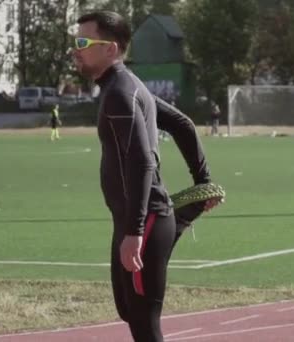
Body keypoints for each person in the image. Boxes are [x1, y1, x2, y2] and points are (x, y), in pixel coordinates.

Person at [72, 11, 220, 341]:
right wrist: (203, 181)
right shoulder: (124, 86)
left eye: (83, 42)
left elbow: (142, 159)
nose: (75, 49)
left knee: (144, 323)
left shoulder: (120, 93)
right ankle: (179, 216)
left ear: (109, 49)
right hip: (134, 219)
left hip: (145, 221)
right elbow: (183, 124)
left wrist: (136, 229)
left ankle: (176, 218)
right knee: (129, 309)